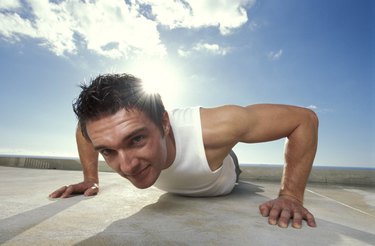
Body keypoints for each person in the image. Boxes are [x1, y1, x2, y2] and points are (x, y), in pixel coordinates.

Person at [49, 73, 319, 229]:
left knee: (233, 167)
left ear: (165, 124)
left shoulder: (220, 126)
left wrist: (291, 195)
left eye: (137, 139)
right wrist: (91, 178)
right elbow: (86, 132)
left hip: (220, 168)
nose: (127, 166)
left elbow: (303, 120)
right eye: (108, 150)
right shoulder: (100, 129)